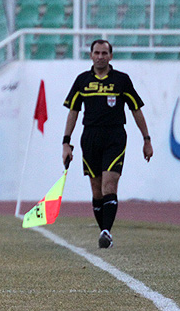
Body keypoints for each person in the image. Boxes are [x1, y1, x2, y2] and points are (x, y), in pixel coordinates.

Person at [62, 39, 153, 249]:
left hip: (115, 137)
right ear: (91, 55)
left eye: (104, 53)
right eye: (97, 53)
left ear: (111, 56)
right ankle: (104, 231)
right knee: (96, 190)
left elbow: (136, 110)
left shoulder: (121, 80)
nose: (100, 56)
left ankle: (106, 232)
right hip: (90, 137)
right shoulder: (82, 80)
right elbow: (73, 112)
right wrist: (66, 143)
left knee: (109, 185)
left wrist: (146, 139)